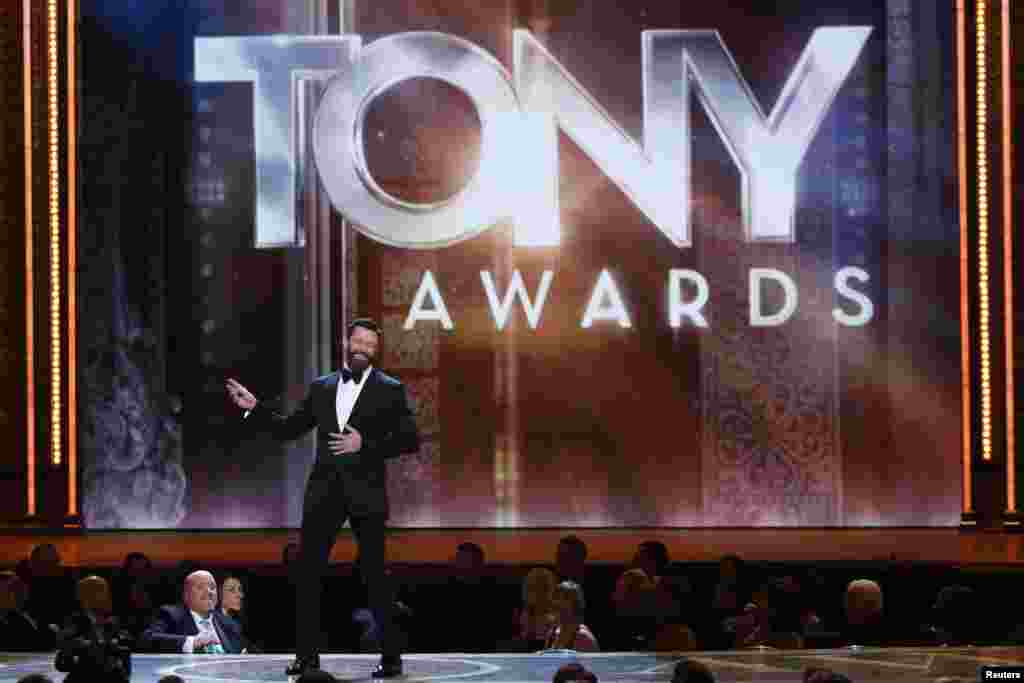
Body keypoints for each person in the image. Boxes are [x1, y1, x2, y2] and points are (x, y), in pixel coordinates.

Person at [226, 317, 421, 677]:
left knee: (375, 575)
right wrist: (254, 408)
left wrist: (366, 444)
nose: (363, 348)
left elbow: (411, 439)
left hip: (367, 493)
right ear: (346, 343)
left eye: (370, 345)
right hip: (325, 492)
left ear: (377, 351)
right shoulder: (322, 387)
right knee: (308, 573)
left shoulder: (390, 389)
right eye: (358, 341)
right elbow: (289, 428)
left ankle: (391, 659)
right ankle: (306, 658)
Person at [139, 570, 245, 654]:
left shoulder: (229, 623)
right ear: (186, 596)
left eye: (212, 587)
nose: (209, 592)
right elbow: (147, 640)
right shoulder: (171, 615)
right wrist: (192, 642)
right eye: (200, 587)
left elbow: (240, 653)